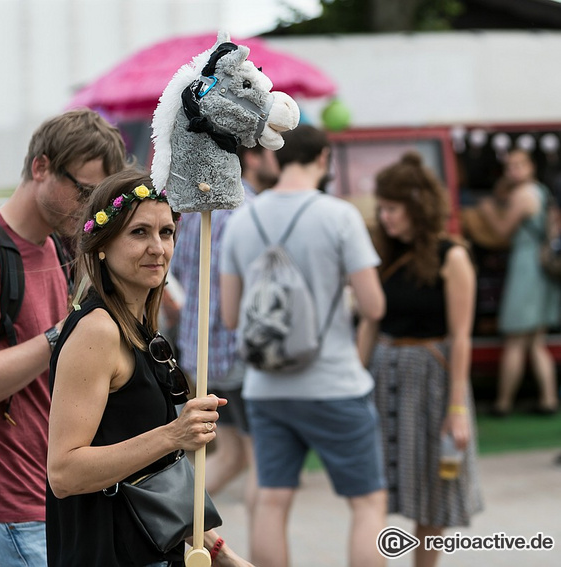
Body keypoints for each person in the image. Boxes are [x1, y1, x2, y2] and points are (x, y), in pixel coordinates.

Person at [0, 109, 128, 567]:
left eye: (98, 198)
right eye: (83, 191)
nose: (89, 208)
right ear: (41, 167)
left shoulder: (61, 248)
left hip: (53, 500)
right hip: (4, 513)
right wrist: (65, 334)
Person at [46, 169, 252, 567]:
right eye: (139, 232)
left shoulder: (142, 330)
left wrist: (221, 554)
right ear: (102, 245)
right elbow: (65, 473)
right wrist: (174, 434)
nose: (158, 247)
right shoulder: (98, 331)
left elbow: (156, 476)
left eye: (166, 232)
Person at [219, 125, 387, 567]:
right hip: (335, 383)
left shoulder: (241, 219)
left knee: (272, 501)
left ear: (275, 157)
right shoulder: (339, 216)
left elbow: (231, 317)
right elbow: (374, 305)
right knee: (367, 504)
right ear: (325, 158)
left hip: (266, 388)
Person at [357, 151, 483, 567]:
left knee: (432, 492)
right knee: (374, 489)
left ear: (418, 206)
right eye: (383, 208)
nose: (386, 217)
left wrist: (458, 408)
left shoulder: (453, 257)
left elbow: (462, 338)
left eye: (393, 208)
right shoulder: (383, 253)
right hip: (383, 373)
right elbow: (371, 323)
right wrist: (353, 383)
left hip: (432, 379)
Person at [166, 143, 279, 521]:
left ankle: (166, 514)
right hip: (239, 350)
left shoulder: (200, 211)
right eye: (272, 152)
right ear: (251, 157)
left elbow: (177, 273)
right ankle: (266, 546)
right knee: (264, 463)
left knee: (230, 455)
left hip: (202, 353)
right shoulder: (253, 211)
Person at [478, 148, 560, 416]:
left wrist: (487, 210)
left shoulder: (522, 195)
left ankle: (503, 403)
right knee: (536, 341)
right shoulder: (540, 192)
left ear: (531, 166)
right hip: (539, 266)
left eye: (518, 165)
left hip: (526, 268)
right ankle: (547, 399)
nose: (513, 171)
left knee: (515, 339)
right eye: (509, 166)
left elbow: (502, 232)